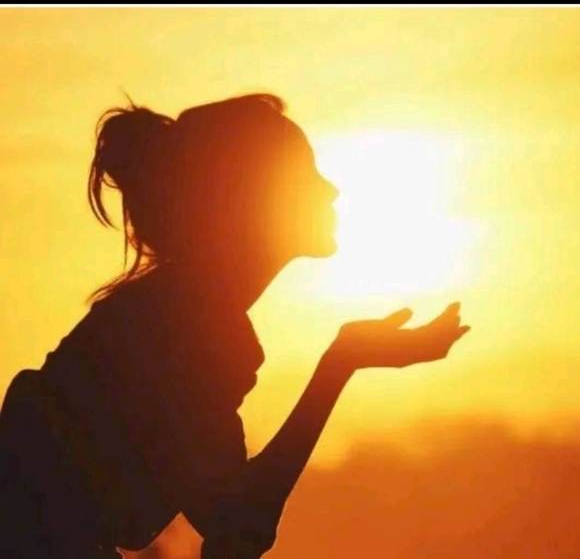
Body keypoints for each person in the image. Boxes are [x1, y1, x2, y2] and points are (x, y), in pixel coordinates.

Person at [0, 93, 470, 559]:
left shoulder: (174, 311)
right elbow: (240, 525)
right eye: (304, 174)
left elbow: (232, 521)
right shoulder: (187, 326)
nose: (331, 190)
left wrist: (342, 359)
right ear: (250, 202)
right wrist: (340, 364)